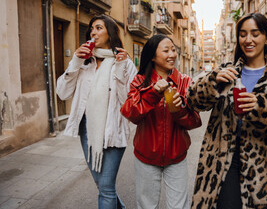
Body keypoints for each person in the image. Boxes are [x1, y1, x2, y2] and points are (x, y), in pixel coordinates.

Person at [187, 13, 267, 208]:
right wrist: (213, 81)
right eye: (243, 34)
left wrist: (260, 107)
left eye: (255, 34)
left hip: (266, 168)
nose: (248, 40)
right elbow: (193, 101)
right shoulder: (227, 71)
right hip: (223, 161)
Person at [57, 14, 137, 209]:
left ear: (110, 33)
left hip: (113, 131)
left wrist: (119, 68)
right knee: (102, 185)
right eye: (92, 28)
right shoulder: (85, 63)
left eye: (99, 28)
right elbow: (62, 93)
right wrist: (75, 61)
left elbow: (127, 100)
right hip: (88, 131)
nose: (93, 32)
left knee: (106, 188)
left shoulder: (125, 62)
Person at [120, 34, 202, 209]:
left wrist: (179, 111)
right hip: (146, 156)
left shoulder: (185, 82)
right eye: (166, 50)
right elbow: (131, 113)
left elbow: (195, 121)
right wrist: (153, 94)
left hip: (177, 156)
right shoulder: (140, 81)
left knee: (179, 206)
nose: (172, 54)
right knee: (146, 205)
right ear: (152, 56)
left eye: (173, 50)